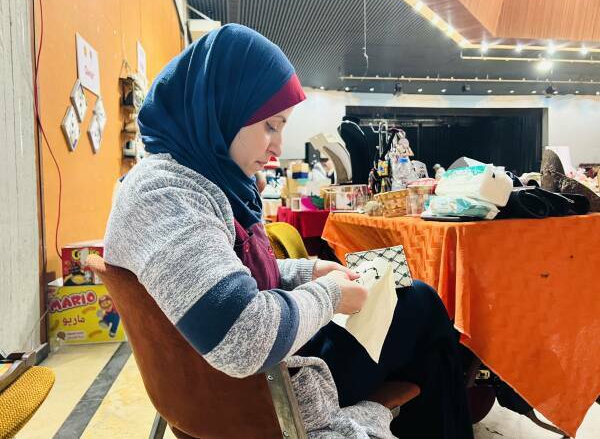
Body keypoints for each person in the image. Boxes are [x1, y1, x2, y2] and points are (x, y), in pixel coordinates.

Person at [104, 24, 472, 438]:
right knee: (424, 312)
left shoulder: (193, 180)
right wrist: (330, 296)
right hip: (267, 392)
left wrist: (308, 272)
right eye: (271, 125)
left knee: (407, 296)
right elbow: (242, 336)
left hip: (258, 375)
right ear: (224, 108)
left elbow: (229, 276)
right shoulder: (164, 195)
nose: (278, 147)